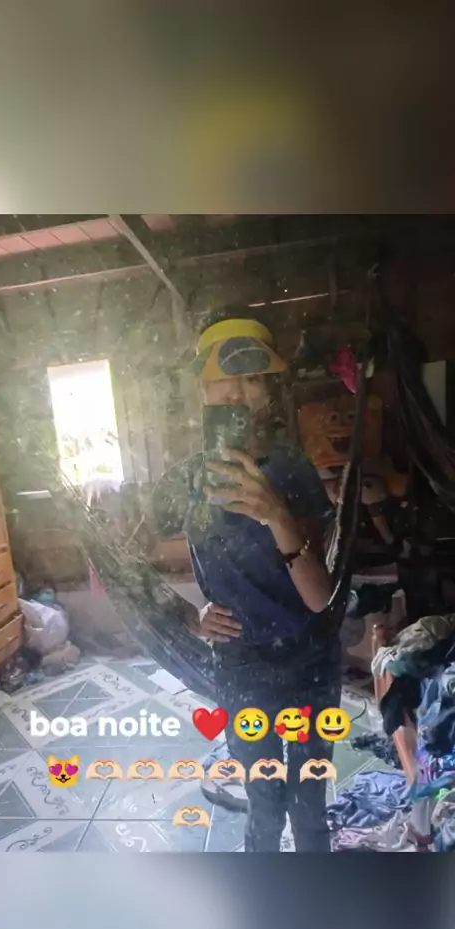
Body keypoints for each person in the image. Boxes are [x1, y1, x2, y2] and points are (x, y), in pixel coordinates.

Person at [143, 309, 341, 851]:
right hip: (243, 668)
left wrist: (276, 514)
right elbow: (127, 566)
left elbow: (320, 599)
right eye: (220, 380)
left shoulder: (293, 470)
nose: (234, 392)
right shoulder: (185, 482)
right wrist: (191, 615)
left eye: (251, 378)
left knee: (309, 808)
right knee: (264, 805)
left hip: (310, 660)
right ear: (201, 392)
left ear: (266, 392)